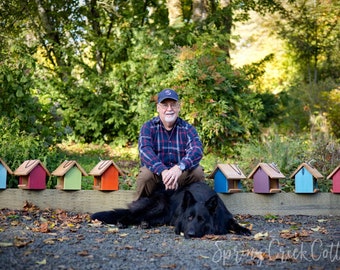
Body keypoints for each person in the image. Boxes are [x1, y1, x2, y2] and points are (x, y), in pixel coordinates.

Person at [135, 88, 205, 199]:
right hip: (157, 175)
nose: (169, 109)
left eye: (173, 105)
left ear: (179, 107)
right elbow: (145, 151)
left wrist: (179, 168)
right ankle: (137, 212)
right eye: (165, 105)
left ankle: (195, 211)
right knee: (145, 175)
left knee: (197, 172)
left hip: (180, 175)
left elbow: (197, 149)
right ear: (158, 108)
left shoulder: (188, 128)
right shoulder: (148, 127)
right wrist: (163, 171)